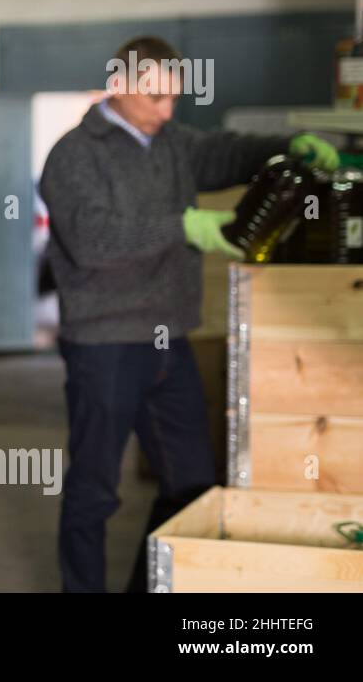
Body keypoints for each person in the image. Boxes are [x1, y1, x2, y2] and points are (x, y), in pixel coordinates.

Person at [38, 35, 339, 592]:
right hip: (104, 344)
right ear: (121, 85)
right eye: (155, 98)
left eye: (175, 98)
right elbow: (92, 241)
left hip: (167, 339)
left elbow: (228, 152)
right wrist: (182, 225)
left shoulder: (172, 143)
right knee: (95, 491)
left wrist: (291, 144)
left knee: (193, 487)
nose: (167, 111)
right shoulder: (74, 155)